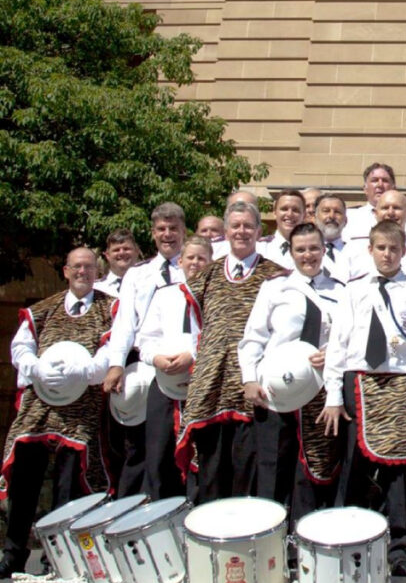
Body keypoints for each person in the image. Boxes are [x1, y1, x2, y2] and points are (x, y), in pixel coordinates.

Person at [320, 220, 406, 576]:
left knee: (398, 469)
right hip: (361, 381)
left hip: (401, 383)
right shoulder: (354, 290)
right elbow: (338, 346)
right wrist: (333, 396)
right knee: (354, 462)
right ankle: (348, 542)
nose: (387, 255)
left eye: (394, 249)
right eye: (381, 248)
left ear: (404, 252)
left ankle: (399, 549)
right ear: (370, 250)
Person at [1, 248, 114, 578]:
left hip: (82, 406)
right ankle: (14, 551)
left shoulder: (110, 308)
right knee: (24, 474)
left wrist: (86, 372)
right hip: (40, 403)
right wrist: (35, 368)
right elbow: (21, 347)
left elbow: (112, 350)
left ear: (97, 271)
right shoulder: (43, 310)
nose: (83, 272)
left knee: (69, 481)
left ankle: (58, 554)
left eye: (89, 267)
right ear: (66, 271)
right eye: (77, 267)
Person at [176, 201, 286, 504]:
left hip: (251, 387)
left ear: (259, 231)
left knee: (246, 470)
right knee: (211, 472)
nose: (241, 231)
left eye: (248, 226)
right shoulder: (206, 275)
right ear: (225, 232)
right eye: (235, 226)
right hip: (211, 384)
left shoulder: (276, 275)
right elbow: (194, 327)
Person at [239, 223, 344, 525]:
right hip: (275, 389)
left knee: (313, 468)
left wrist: (333, 352)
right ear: (291, 251)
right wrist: (249, 379)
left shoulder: (341, 290)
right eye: (301, 249)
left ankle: (306, 539)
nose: (308, 255)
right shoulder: (275, 288)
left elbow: (348, 339)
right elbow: (253, 337)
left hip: (318, 391)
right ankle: (269, 541)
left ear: (324, 250)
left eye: (314, 248)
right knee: (273, 466)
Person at [103, 202, 187, 497]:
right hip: (144, 366)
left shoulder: (194, 267)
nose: (167, 235)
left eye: (173, 229)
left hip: (185, 363)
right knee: (141, 447)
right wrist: (116, 364)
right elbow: (125, 322)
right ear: (152, 234)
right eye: (161, 229)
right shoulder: (138, 275)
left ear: (183, 231)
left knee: (178, 443)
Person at [135, 235, 210, 499]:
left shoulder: (216, 296)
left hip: (203, 387)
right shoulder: (165, 295)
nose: (196, 263)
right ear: (180, 261)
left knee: (200, 459)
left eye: (202, 258)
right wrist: (156, 358)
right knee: (158, 455)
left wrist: (193, 355)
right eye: (191, 258)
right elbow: (146, 338)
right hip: (165, 385)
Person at [344, 163, 396, 241]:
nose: (380, 184)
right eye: (374, 180)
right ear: (365, 189)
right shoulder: (348, 218)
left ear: (393, 188)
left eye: (385, 181)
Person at [260, 190, 306, 269]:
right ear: (274, 212)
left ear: (304, 215)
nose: (289, 214)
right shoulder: (259, 247)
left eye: (295, 210)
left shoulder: (313, 250)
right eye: (284, 209)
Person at [95, 228, 141, 296]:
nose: (122, 253)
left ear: (137, 252)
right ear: (107, 255)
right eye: (116, 250)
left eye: (126, 249)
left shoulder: (150, 283)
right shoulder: (96, 289)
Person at [213, 191, 258, 259]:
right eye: (236, 207)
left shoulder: (268, 252)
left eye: (250, 207)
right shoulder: (214, 252)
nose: (241, 231)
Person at [314, 192, 347, 271]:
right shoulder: (305, 253)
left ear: (345, 220)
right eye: (326, 211)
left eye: (337, 212)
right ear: (315, 218)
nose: (331, 216)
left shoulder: (356, 253)